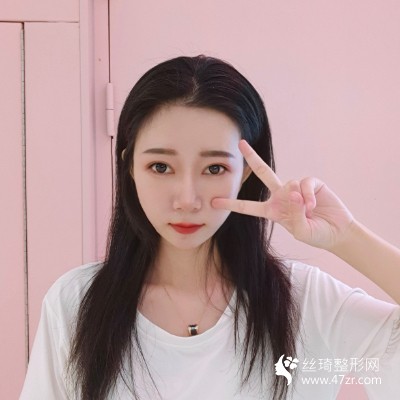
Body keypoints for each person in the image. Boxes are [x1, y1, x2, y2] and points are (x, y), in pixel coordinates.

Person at [20, 55, 400, 400]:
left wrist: (346, 236)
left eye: (214, 168)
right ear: (130, 167)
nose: (187, 199)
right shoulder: (75, 303)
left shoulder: (306, 302)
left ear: (245, 174)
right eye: (160, 167)